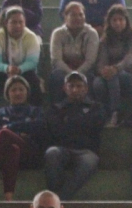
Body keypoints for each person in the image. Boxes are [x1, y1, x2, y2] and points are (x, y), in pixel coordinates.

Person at [44, 72, 106, 200]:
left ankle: (60, 199)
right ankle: (56, 197)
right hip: (63, 149)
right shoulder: (56, 108)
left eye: (79, 86)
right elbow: (56, 131)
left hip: (87, 151)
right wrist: (81, 122)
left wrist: (69, 122)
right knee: (51, 153)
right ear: (65, 88)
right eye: (71, 86)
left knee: (89, 162)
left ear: (86, 88)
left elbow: (95, 127)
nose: (75, 89)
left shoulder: (96, 107)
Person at [0, 76, 47, 206]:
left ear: (27, 92)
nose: (18, 93)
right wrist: (22, 129)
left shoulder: (36, 111)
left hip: (30, 154)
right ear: (7, 94)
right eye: (13, 90)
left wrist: (9, 127)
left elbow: (39, 127)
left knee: (4, 133)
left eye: (21, 89)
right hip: (7, 155)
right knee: (12, 150)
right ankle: (9, 202)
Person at [0, 6, 42, 116]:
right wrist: (7, 68)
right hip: (4, 72)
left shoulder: (31, 37)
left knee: (33, 79)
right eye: (14, 22)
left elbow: (33, 62)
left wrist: (19, 69)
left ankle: (37, 114)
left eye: (21, 22)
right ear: (6, 23)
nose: (18, 26)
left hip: (24, 71)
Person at [92, 4, 132, 127]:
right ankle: (102, 114)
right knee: (97, 83)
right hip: (109, 75)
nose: (118, 23)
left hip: (130, 75)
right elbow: (101, 61)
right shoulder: (104, 40)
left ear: (126, 21)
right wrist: (103, 70)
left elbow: (129, 59)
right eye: (114, 20)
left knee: (115, 76)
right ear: (109, 22)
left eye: (121, 19)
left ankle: (115, 113)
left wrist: (115, 68)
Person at [49, 1, 99, 105]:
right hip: (63, 71)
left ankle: (87, 111)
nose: (78, 18)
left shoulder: (92, 33)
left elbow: (90, 61)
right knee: (56, 77)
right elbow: (56, 59)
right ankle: (58, 110)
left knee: (90, 80)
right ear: (65, 16)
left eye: (81, 14)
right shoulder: (58, 33)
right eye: (73, 15)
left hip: (85, 71)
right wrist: (71, 74)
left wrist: (77, 74)